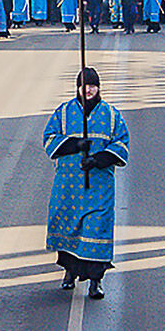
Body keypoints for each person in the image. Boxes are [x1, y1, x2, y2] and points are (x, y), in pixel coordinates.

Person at [43, 68, 129, 300]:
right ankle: (69, 273)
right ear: (77, 87)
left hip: (99, 188)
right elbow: (49, 138)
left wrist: (98, 160)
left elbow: (122, 143)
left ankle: (96, 281)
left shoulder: (112, 115)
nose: (88, 89)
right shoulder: (63, 112)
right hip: (68, 187)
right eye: (84, 85)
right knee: (69, 228)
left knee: (96, 230)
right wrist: (74, 145)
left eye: (92, 85)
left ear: (99, 87)